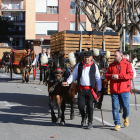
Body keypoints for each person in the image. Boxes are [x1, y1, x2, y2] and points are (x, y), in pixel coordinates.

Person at [62, 51, 102, 129]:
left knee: (90, 106)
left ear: (91, 58)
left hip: (90, 90)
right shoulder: (79, 65)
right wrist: (67, 82)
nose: (86, 59)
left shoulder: (94, 66)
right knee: (80, 106)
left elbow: (98, 79)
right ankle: (84, 116)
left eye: (88, 57)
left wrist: (99, 90)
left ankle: (90, 122)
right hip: (81, 89)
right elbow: (73, 75)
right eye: (85, 57)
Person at [105, 50, 133, 131]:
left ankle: (125, 117)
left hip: (124, 89)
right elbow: (107, 75)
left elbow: (130, 75)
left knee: (125, 106)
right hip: (114, 90)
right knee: (114, 107)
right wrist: (111, 76)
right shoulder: (111, 65)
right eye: (114, 55)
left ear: (121, 56)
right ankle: (117, 123)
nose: (114, 57)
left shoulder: (127, 64)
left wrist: (119, 76)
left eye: (116, 56)